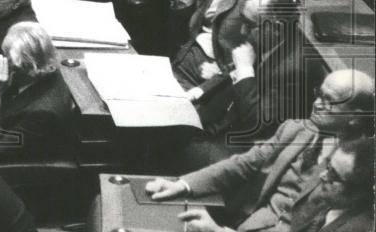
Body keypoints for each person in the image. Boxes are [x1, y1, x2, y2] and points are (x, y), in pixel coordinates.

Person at [145, 69, 375, 232]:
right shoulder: (295, 129)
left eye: (329, 101)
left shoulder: (353, 168)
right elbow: (244, 164)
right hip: (244, 220)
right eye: (319, 94)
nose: (317, 103)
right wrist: (182, 184)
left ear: (356, 116)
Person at [184, 0, 302, 159]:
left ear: (276, 28)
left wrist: (245, 68)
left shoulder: (294, 70)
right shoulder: (268, 36)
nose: (243, 31)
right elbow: (232, 70)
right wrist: (197, 92)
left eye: (249, 25)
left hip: (242, 148)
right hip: (225, 120)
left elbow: (258, 123)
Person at [0, 22, 74, 163]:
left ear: (30, 68)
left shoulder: (42, 114)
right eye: (4, 53)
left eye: (9, 59)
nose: (1, 61)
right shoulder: (38, 72)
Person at [287, 137, 374, 232]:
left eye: (333, 175)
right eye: (328, 167)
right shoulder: (333, 200)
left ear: (356, 193)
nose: (322, 175)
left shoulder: (355, 227)